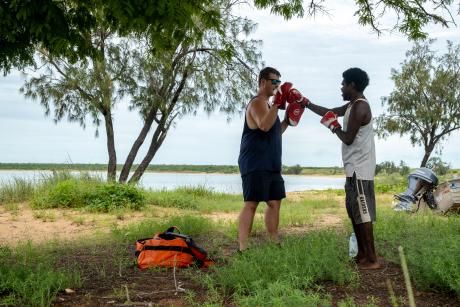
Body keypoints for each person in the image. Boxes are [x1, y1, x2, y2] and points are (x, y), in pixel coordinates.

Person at [305, 67, 380, 269]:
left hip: (361, 170)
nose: (341, 87)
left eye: (343, 84)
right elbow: (330, 112)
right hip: (353, 169)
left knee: (363, 215)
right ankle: (363, 256)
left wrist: (333, 126)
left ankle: (372, 260)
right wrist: (307, 104)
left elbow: (347, 139)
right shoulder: (351, 105)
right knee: (354, 213)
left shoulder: (360, 107)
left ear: (352, 85)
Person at [237, 67, 299, 251]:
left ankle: (274, 242)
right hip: (255, 161)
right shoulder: (257, 102)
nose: (277, 85)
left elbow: (275, 132)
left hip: (272, 162)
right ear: (263, 82)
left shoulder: (271, 107)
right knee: (251, 203)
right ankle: (243, 248)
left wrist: (288, 120)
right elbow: (263, 126)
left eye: (279, 82)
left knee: (274, 202)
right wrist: (278, 104)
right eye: (274, 81)